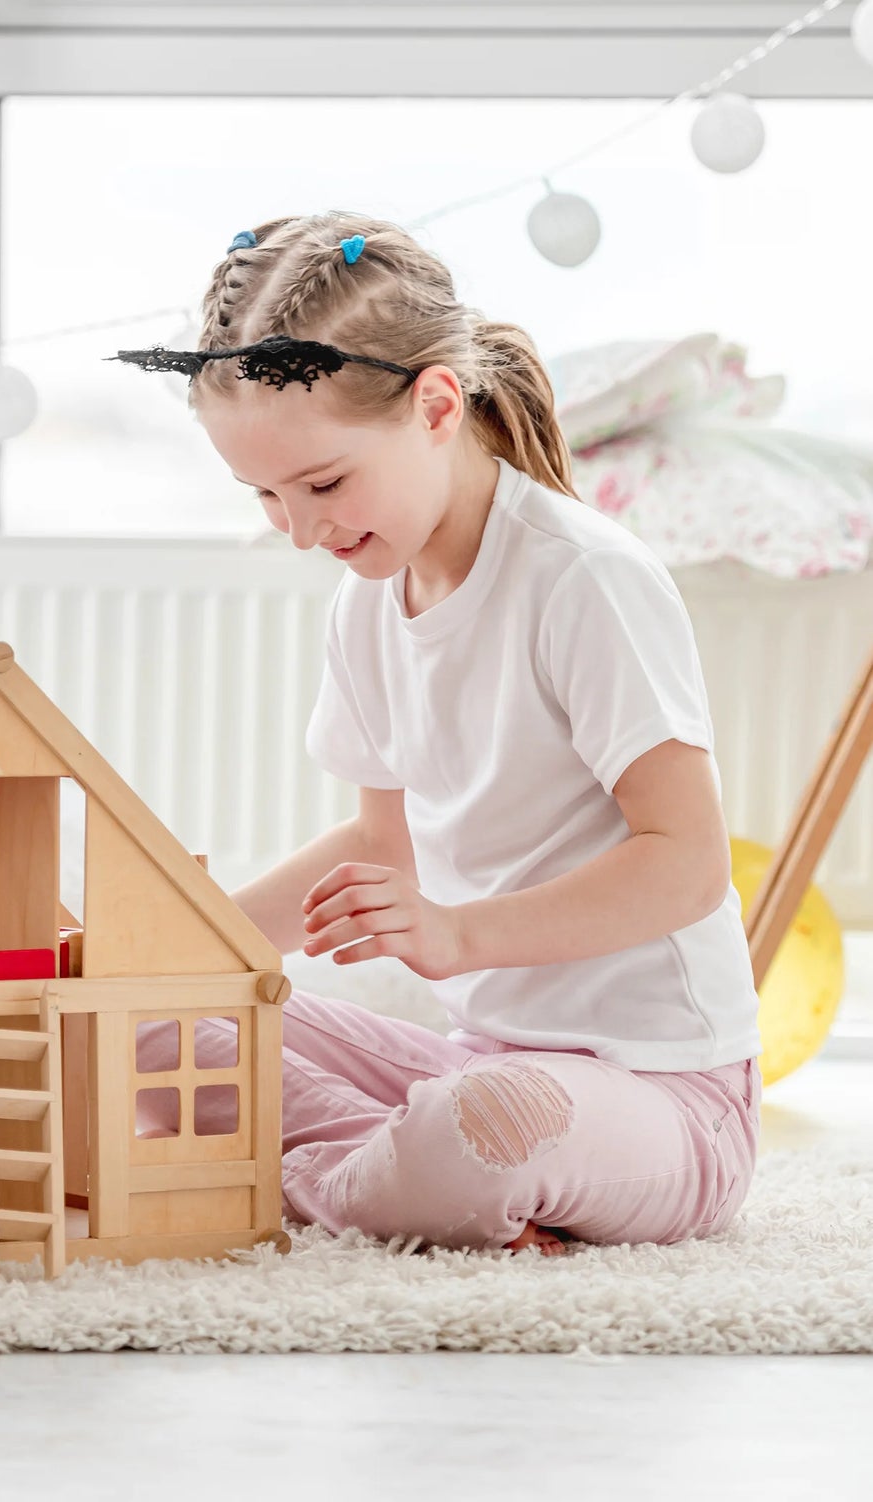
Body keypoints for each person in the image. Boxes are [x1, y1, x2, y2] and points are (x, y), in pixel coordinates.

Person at [113, 212, 761, 1257]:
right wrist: (184, 941)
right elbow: (382, 843)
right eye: (268, 497)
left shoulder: (582, 577)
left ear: (436, 405)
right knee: (140, 1031)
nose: (304, 527)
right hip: (476, 1065)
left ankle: (317, 1180)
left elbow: (685, 864)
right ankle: (386, 1175)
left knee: (479, 1130)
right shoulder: (367, 602)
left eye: (324, 482)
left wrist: (458, 934)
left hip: (663, 1092)